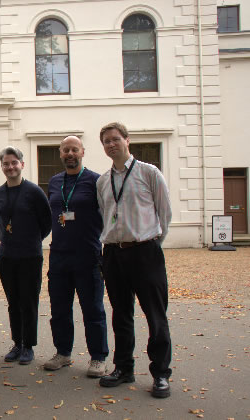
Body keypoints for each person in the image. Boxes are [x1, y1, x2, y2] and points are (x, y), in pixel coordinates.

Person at [96, 122, 172, 398]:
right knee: (121, 314)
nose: (111, 144)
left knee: (155, 314)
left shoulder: (149, 173)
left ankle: (161, 374)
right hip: (114, 253)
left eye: (115, 139)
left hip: (144, 251)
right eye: (106, 141)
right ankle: (123, 368)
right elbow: (106, 214)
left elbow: (165, 213)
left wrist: (151, 245)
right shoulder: (103, 181)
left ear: (127, 140)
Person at [44, 136, 108, 377]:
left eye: (74, 149)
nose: (70, 154)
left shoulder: (96, 181)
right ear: (60, 154)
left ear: (82, 152)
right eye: (65, 150)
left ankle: (98, 357)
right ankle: (63, 353)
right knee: (59, 308)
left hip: (87, 255)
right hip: (59, 255)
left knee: (92, 309)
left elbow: (107, 212)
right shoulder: (54, 182)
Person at [0, 146, 52, 365]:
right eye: (6, 164)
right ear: (2, 167)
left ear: (22, 165)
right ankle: (17, 342)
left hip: (30, 256)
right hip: (7, 257)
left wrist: (31, 239)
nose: (10, 167)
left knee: (29, 301)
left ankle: (29, 345)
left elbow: (47, 223)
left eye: (14, 162)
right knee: (13, 302)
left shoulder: (34, 192)